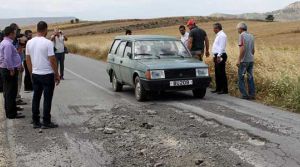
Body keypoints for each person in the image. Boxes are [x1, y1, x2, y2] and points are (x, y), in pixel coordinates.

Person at [26, 21, 60, 129]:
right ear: (45, 29)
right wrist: (57, 74)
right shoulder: (48, 43)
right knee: (47, 98)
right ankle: (46, 121)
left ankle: (35, 121)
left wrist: (31, 72)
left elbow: (28, 59)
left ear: (37, 29)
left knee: (36, 97)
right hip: (47, 74)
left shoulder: (29, 42)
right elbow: (52, 60)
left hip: (36, 73)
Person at [0, 26, 25, 119]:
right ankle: (11, 114)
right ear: (10, 34)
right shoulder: (7, 44)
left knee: (8, 91)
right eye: (14, 33)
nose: (15, 35)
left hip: (6, 69)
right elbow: (7, 58)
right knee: (11, 92)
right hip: (9, 70)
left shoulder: (5, 42)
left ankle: (11, 111)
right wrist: (11, 69)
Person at [236, 22, 256, 100]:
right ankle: (252, 94)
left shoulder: (241, 36)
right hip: (251, 60)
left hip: (244, 61)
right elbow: (253, 50)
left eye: (238, 29)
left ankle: (244, 95)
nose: (237, 30)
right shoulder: (251, 36)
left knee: (241, 78)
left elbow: (242, 49)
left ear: (240, 29)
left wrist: (239, 60)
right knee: (250, 77)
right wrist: (250, 56)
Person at [10, 23, 27, 106]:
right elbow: (17, 53)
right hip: (16, 65)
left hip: (18, 63)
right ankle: (16, 98)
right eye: (17, 30)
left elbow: (25, 38)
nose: (18, 32)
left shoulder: (16, 39)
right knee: (17, 82)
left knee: (18, 82)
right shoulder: (12, 42)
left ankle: (17, 97)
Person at [211, 23, 228, 94]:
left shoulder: (222, 35)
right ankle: (218, 88)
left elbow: (222, 47)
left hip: (220, 55)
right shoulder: (218, 35)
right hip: (217, 55)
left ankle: (224, 90)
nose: (213, 30)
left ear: (217, 28)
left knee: (221, 73)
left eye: (214, 28)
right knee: (217, 73)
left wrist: (218, 56)